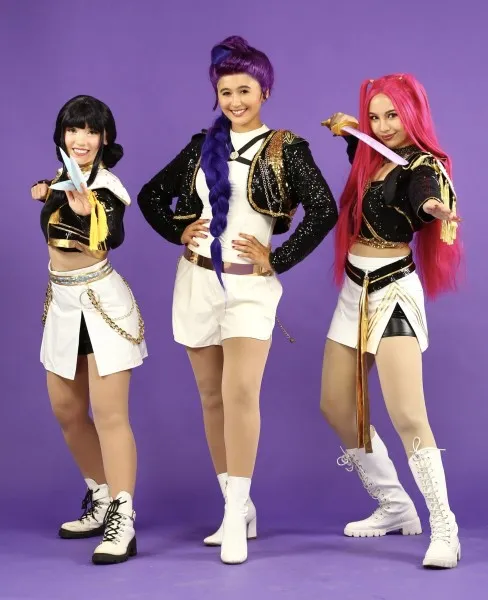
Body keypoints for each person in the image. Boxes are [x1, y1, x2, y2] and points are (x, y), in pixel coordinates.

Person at [138, 36, 337, 564]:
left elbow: (323, 209)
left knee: (241, 392)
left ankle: (233, 515)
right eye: (225, 92)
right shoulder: (200, 147)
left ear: (265, 91)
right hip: (197, 282)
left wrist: (280, 257)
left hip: (250, 288)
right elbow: (151, 196)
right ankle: (237, 505)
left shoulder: (286, 148)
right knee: (212, 398)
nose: (235, 101)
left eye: (244, 90)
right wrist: (179, 229)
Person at [320, 74, 462, 568]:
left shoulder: (422, 166)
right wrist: (349, 128)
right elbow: (362, 149)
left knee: (407, 414)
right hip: (352, 291)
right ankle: (395, 504)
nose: (383, 127)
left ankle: (444, 527)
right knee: (337, 405)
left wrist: (433, 207)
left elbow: (422, 190)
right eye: (376, 117)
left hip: (392, 292)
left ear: (413, 114)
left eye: (393, 116)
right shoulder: (373, 155)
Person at [31, 95, 146, 565]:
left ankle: (123, 516)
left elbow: (111, 234)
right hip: (62, 304)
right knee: (67, 409)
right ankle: (100, 496)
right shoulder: (63, 178)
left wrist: (84, 210)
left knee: (110, 413)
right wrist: (50, 191)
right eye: (73, 129)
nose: (81, 139)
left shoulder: (107, 188)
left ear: (104, 138)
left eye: (91, 131)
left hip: (101, 304)